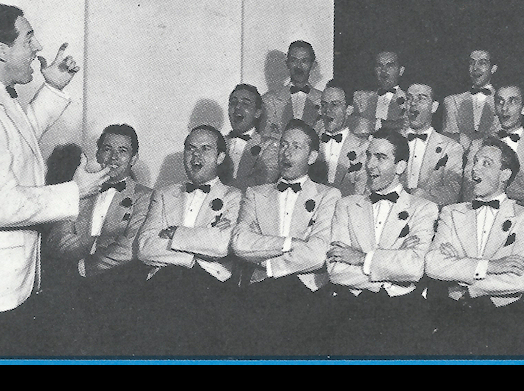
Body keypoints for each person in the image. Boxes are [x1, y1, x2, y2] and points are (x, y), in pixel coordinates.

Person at [0, 4, 111, 357]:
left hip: (1, 290)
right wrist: (76, 192)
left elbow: (17, 138)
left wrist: (53, 88)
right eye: (29, 38)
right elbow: (4, 206)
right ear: (1, 51)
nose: (39, 47)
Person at [230, 119, 341, 356]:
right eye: (283, 145)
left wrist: (267, 262)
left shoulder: (328, 195)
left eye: (296, 147)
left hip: (306, 293)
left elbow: (318, 253)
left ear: (312, 157)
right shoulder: (255, 193)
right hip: (260, 293)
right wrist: (290, 243)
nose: (286, 153)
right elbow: (240, 242)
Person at [326, 127, 440, 356]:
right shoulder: (346, 205)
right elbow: (336, 269)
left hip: (401, 312)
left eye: (380, 157)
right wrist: (391, 272)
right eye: (368, 156)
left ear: (400, 166)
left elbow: (414, 267)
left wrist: (361, 258)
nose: (370, 165)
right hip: (352, 308)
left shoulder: (423, 208)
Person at [43, 124, 153, 356]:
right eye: (107, 149)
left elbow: (129, 246)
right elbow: (56, 238)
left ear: (134, 158)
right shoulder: (80, 191)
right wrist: (91, 246)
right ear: (98, 154)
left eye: (122, 151)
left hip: (117, 287)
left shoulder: (145, 196)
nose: (113, 157)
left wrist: (85, 264)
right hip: (73, 283)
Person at [425, 138, 524, 356]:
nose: (474, 169)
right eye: (475, 162)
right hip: (454, 318)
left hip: (503, 320)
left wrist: (463, 281)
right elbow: (433, 264)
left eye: (486, 163)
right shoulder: (452, 212)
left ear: (505, 174)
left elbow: (518, 279)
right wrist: (490, 266)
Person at [135, 125, 243, 356]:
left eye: (205, 148)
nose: (196, 155)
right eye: (191, 148)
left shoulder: (233, 196)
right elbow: (145, 248)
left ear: (220, 157)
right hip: (162, 283)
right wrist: (195, 252)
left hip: (210, 287)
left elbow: (223, 244)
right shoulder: (164, 194)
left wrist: (175, 233)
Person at [462, 82, 524, 209]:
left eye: (512, 102)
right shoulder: (478, 145)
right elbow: (470, 189)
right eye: (500, 102)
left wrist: (489, 183)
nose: (504, 108)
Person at [401, 81, 464, 207]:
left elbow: (452, 191)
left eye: (421, 98)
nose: (413, 103)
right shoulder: (390, 141)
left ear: (434, 107)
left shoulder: (451, 148)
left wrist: (423, 197)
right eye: (409, 98)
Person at [314, 80, 369, 196]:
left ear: (349, 110)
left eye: (334, 104)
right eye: (323, 105)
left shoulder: (363, 148)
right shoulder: (310, 143)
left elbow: (360, 194)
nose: (327, 110)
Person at [261, 40, 323, 139]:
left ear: (313, 65)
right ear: (287, 63)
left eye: (304, 61)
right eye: (294, 60)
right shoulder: (268, 100)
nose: (298, 66)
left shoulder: (323, 101)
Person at [441, 49, 500, 150]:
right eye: (472, 63)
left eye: (482, 63)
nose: (475, 68)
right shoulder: (452, 101)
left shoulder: (502, 102)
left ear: (493, 68)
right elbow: (447, 139)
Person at [226, 83, 280, 191]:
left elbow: (262, 181)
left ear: (257, 113)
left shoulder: (270, 145)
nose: (237, 107)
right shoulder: (216, 143)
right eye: (233, 103)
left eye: (245, 104)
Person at [350, 50, 409, 134]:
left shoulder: (409, 100)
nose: (383, 71)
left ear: (401, 71)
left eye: (390, 66)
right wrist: (385, 124)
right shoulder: (361, 98)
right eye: (379, 66)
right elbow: (353, 124)